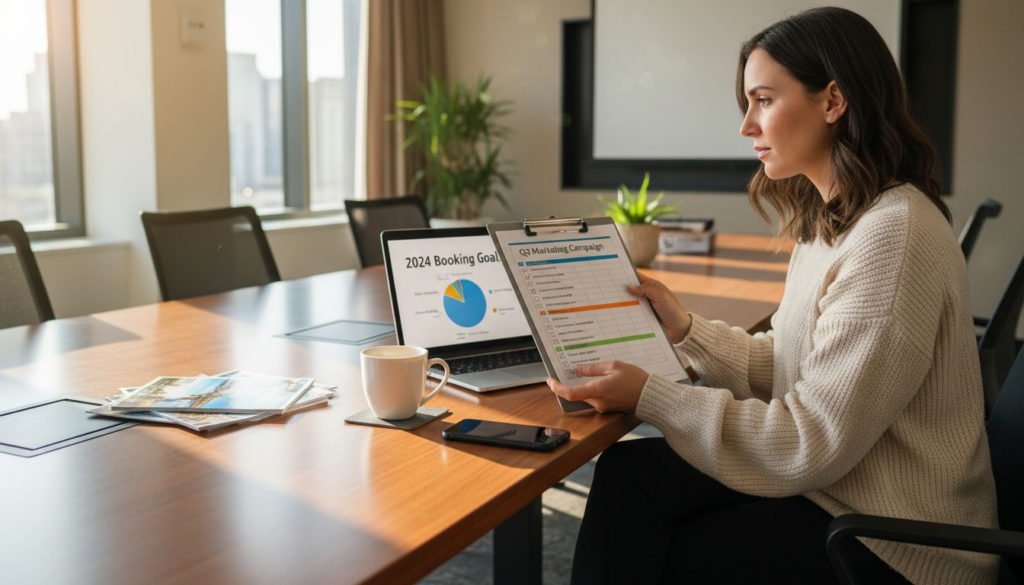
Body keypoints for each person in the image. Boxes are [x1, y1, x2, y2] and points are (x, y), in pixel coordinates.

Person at [549, 7, 998, 584]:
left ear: (833, 102)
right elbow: (795, 365)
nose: (746, 126)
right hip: (842, 483)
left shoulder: (892, 235)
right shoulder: (835, 218)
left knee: (666, 552)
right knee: (628, 474)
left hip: (893, 537)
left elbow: (810, 440)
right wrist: (687, 329)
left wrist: (652, 397)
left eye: (763, 100)